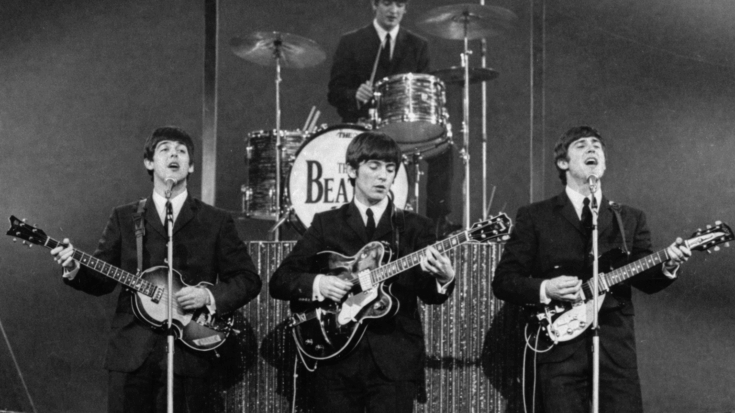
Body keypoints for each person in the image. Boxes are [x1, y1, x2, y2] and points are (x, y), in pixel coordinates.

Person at [50, 126, 262, 413]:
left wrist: (207, 296)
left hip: (191, 353)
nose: (174, 154)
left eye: (181, 151)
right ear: (149, 163)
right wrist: (74, 268)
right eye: (165, 149)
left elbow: (248, 280)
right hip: (132, 354)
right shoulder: (125, 217)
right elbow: (101, 281)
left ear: (191, 166)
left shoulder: (216, 221)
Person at [492, 126, 691, 413]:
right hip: (558, 347)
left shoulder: (630, 218)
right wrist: (546, 288)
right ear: (563, 163)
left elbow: (646, 280)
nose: (592, 148)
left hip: (615, 348)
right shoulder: (536, 216)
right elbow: (504, 281)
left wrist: (669, 264)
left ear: (604, 163)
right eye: (581, 145)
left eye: (597, 145)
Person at [270, 131, 455, 413]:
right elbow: (281, 281)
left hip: (394, 364)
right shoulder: (327, 224)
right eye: (374, 166)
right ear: (351, 170)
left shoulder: (416, 227)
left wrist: (444, 278)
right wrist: (319, 283)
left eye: (390, 169)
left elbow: (430, 295)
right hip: (335, 358)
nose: (383, 176)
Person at [327, 0, 454, 235]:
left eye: (399, 4)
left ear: (406, 8)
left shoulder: (418, 45)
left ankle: (437, 224)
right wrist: (354, 95)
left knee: (443, 148)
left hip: (405, 130)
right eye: (387, 3)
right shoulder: (352, 41)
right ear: (374, 5)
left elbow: (423, 91)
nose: (393, 10)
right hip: (366, 128)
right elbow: (334, 92)